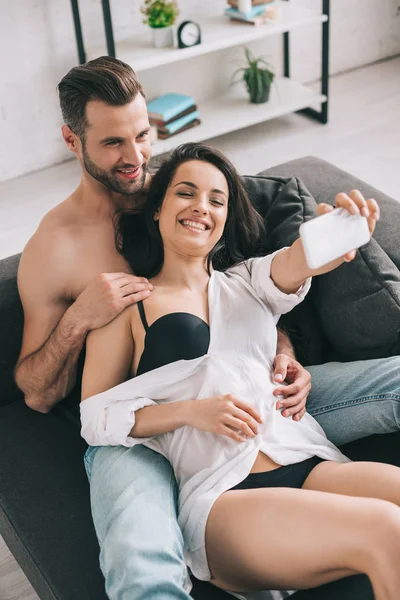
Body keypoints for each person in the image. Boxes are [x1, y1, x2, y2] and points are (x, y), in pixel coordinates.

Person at [13, 56, 400, 599]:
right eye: (113, 144)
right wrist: (80, 316)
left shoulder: (177, 187)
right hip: (151, 433)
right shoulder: (59, 251)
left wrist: (284, 346)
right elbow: (43, 394)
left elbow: (272, 277)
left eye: (142, 136)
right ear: (72, 141)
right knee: (141, 553)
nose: (136, 158)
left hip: (266, 413)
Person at [80, 142, 400, 600]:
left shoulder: (248, 282)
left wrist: (336, 233)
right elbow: (94, 418)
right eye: (185, 193)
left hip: (301, 458)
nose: (200, 208)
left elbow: (296, 260)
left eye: (216, 200)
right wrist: (192, 412)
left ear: (227, 218)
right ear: (157, 209)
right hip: (223, 497)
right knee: (385, 527)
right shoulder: (129, 302)